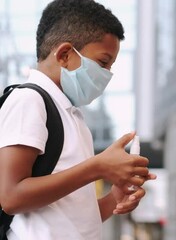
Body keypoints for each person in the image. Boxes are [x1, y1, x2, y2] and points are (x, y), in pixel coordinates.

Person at [0, 0, 156, 239]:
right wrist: (97, 167)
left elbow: (73, 219)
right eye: (103, 63)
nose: (107, 75)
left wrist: (115, 197)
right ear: (64, 54)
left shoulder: (73, 116)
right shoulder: (29, 100)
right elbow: (11, 197)